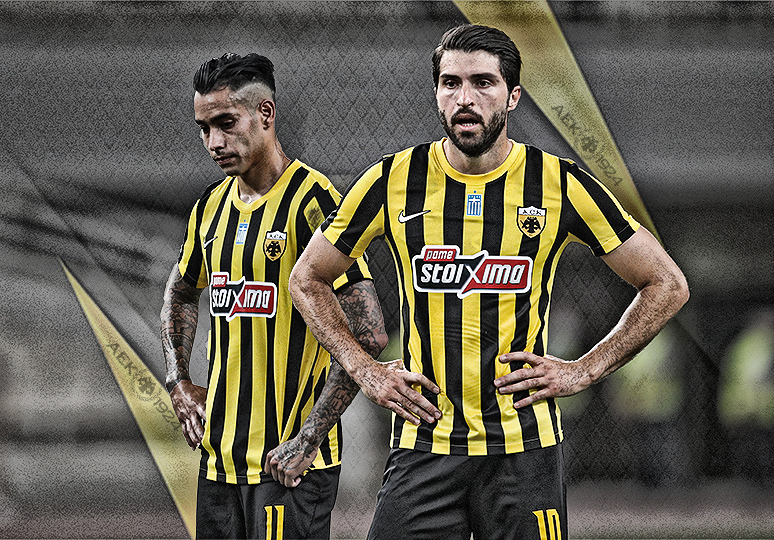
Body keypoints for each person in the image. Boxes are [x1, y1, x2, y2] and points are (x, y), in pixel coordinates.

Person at [288, 24, 689, 540]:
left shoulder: (559, 182)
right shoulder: (393, 180)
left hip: (524, 452)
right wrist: (364, 370)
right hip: (424, 448)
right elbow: (307, 277)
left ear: (513, 96)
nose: (465, 99)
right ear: (436, 93)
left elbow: (666, 283)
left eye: (482, 82)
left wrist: (585, 370)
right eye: (450, 83)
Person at [160, 52, 391, 540]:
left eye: (226, 123)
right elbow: (179, 292)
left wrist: (309, 438)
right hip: (219, 464)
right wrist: (178, 380)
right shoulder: (210, 207)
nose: (214, 142)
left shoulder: (314, 201)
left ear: (265, 113)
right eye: (204, 129)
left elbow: (368, 333)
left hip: (287, 467)